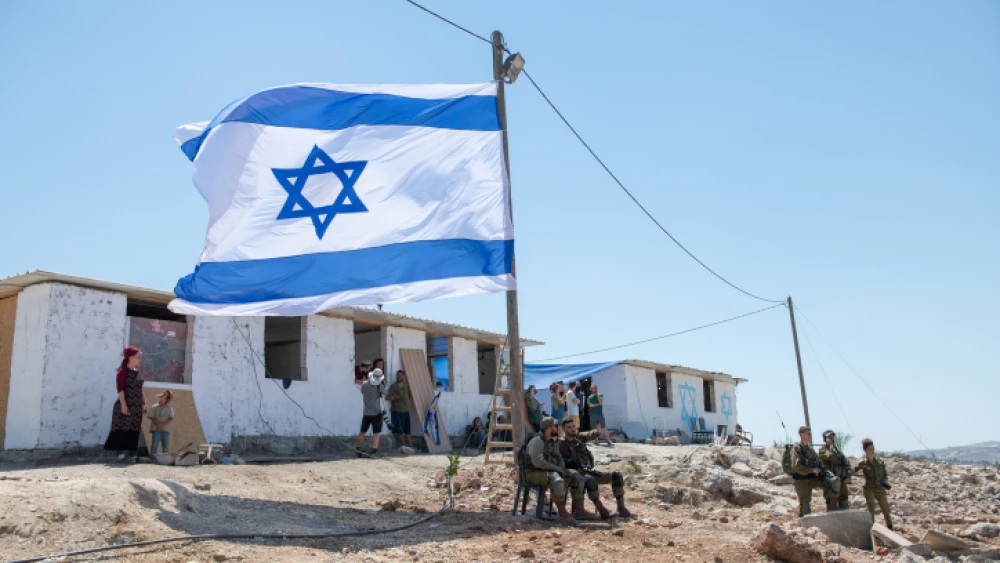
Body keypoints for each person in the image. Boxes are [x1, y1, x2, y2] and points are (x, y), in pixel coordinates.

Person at [558, 418, 629, 520]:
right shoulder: (561, 444)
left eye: (574, 426)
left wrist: (597, 432)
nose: (572, 429)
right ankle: (598, 510)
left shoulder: (579, 439)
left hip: (588, 471)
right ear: (564, 429)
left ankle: (621, 508)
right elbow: (559, 461)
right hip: (575, 475)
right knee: (590, 480)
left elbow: (588, 435)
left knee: (616, 476)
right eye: (569, 427)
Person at [524, 416, 582, 526]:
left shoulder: (552, 441)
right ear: (549, 428)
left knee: (577, 477)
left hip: (549, 470)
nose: (558, 428)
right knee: (557, 481)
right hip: (533, 472)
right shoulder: (537, 441)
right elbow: (538, 462)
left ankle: (579, 510)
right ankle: (562, 514)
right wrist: (556, 469)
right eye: (556, 426)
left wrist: (562, 468)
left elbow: (558, 457)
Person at [103, 346, 147, 463]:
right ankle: (120, 455)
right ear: (130, 357)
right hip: (125, 405)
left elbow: (140, 389)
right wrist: (123, 405)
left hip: (137, 406)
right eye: (138, 357)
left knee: (134, 430)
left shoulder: (138, 372)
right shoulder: (122, 371)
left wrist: (144, 403)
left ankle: (133, 455)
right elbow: (120, 390)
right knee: (122, 430)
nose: (140, 359)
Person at [790, 426, 841, 516]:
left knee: (832, 481)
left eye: (810, 433)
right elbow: (796, 466)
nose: (810, 435)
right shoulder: (797, 449)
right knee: (806, 510)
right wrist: (811, 470)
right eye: (808, 433)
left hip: (812, 478)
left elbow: (819, 463)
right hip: (801, 481)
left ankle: (832, 511)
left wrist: (826, 472)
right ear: (801, 435)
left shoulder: (810, 449)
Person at [855, 438, 893, 529]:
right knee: (871, 510)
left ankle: (890, 527)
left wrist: (885, 484)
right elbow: (852, 471)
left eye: (873, 449)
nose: (872, 451)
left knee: (885, 509)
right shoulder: (862, 463)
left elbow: (885, 476)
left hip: (880, 488)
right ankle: (872, 528)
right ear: (865, 451)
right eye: (870, 449)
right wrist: (860, 476)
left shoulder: (880, 462)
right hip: (869, 488)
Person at [355, 369, 385, 458]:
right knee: (376, 433)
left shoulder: (364, 385)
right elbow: (385, 392)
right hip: (376, 412)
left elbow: (362, 392)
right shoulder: (379, 386)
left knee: (362, 432)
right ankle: (374, 450)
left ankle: (358, 449)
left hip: (366, 412)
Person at [819, 430, 851, 511]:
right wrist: (830, 446)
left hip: (842, 480)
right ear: (825, 438)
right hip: (831, 482)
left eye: (832, 436)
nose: (831, 438)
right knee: (832, 503)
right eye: (829, 437)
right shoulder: (822, 450)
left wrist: (848, 476)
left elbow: (846, 463)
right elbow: (831, 456)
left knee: (844, 501)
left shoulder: (838, 450)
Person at [385, 370, 413, 450]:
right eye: (397, 375)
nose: (399, 377)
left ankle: (411, 446)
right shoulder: (393, 387)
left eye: (400, 375)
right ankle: (404, 447)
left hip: (406, 411)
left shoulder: (406, 386)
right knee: (399, 430)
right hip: (397, 411)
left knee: (407, 430)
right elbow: (387, 397)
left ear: (403, 376)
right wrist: (393, 397)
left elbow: (409, 396)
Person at [147, 390, 174, 459]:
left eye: (165, 395)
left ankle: (165, 459)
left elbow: (171, 418)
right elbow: (151, 416)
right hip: (156, 429)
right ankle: (152, 458)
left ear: (167, 398)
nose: (163, 396)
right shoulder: (154, 406)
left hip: (165, 429)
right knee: (154, 445)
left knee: (165, 446)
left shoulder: (169, 408)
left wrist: (163, 425)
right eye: (163, 394)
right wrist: (158, 424)